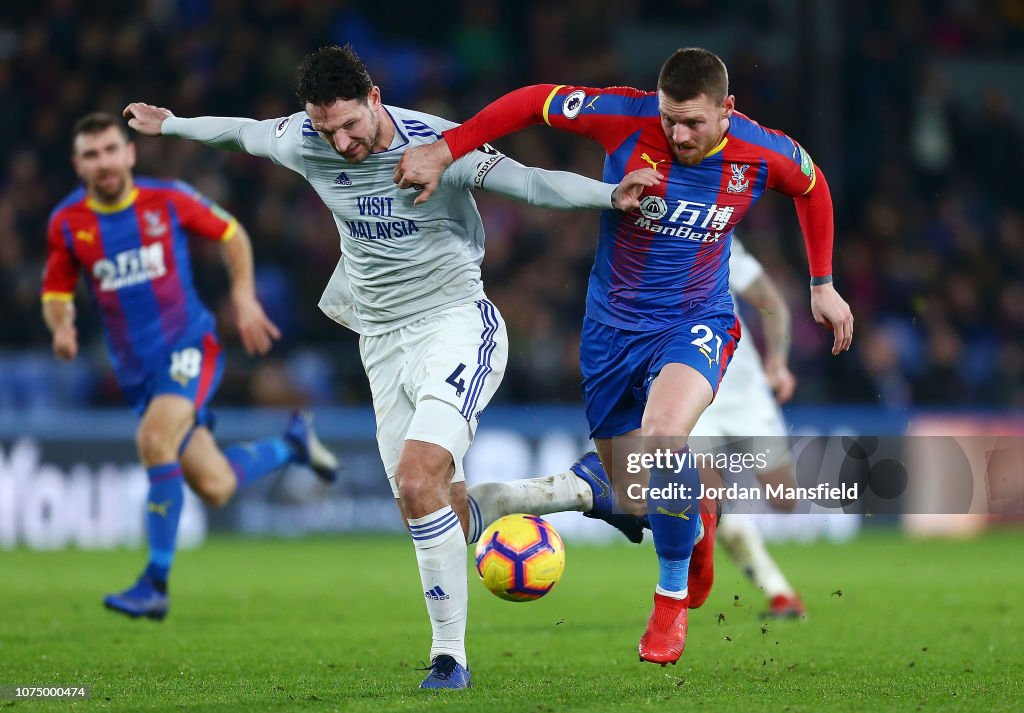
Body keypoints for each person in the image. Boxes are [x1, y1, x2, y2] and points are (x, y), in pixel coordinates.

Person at [123, 45, 658, 688]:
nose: (342, 143)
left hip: (457, 323)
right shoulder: (306, 140)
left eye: (351, 125)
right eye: (327, 130)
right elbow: (241, 134)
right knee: (431, 504)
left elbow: (530, 181)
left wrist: (610, 195)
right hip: (379, 340)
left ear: (375, 98)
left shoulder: (435, 144)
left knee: (417, 473)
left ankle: (448, 658)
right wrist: (172, 124)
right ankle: (581, 491)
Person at [395, 47, 853, 666]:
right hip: (611, 330)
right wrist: (447, 148)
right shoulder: (623, 115)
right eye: (670, 120)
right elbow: (532, 101)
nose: (678, 134)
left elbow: (814, 185)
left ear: (727, 110)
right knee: (635, 493)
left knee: (667, 435)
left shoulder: (762, 150)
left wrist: (821, 283)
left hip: (697, 319)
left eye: (693, 122)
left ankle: (667, 608)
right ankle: (698, 514)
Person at [41, 112, 339, 622]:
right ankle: (292, 444)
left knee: (155, 442)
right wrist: (62, 326)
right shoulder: (68, 222)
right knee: (217, 485)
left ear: (129, 154)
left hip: (188, 348)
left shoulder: (167, 199)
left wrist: (243, 299)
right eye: (92, 155)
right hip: (137, 374)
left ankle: (154, 583)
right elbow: (55, 290)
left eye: (111, 150)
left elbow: (232, 235)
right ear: (78, 165)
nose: (104, 162)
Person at [685, 238, 806, 619]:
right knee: (709, 506)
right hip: (692, 397)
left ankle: (729, 524)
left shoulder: (715, 236)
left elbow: (771, 302)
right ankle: (781, 594)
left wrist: (778, 363)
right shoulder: (635, 250)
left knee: (784, 498)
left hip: (746, 391)